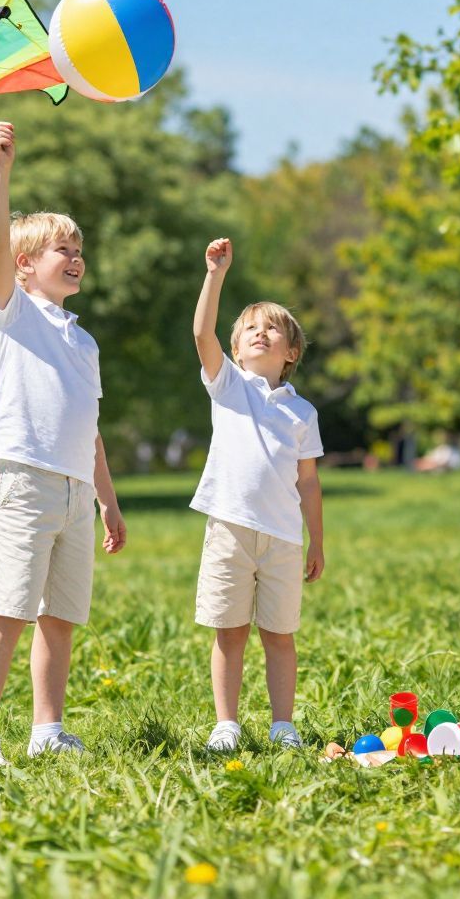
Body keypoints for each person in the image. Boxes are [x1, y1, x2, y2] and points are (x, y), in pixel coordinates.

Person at [0, 121, 127, 768]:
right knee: (9, 609)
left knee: (60, 616)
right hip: (23, 479)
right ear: (27, 266)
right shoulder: (15, 312)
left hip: (74, 492)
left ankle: (47, 728)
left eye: (78, 247)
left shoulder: (83, 341)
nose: (75, 254)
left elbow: (90, 430)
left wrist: (107, 501)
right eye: (61, 247)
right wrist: (2, 169)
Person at [191, 237, 325, 753]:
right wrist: (215, 274)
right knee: (229, 631)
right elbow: (202, 331)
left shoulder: (302, 411)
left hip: (284, 538)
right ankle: (227, 723)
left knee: (279, 634)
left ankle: (282, 723)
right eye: (251, 328)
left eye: (273, 329)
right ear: (236, 348)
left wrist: (316, 541)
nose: (261, 333)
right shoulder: (228, 384)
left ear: (291, 352)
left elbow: (308, 481)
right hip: (229, 527)